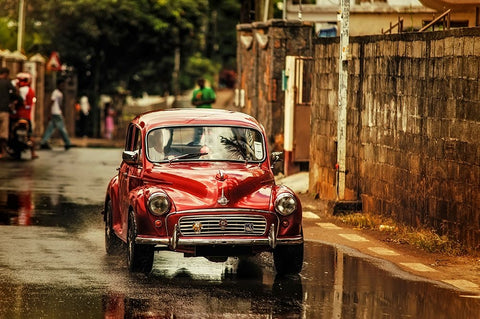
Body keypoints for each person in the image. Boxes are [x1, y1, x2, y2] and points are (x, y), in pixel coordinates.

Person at [39, 78, 72, 150]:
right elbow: (51, 102)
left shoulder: (60, 93)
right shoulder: (56, 92)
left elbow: (60, 105)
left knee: (50, 128)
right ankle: (67, 143)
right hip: (56, 113)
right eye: (62, 85)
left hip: (56, 112)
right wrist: (49, 112)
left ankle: (44, 141)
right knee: (62, 128)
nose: (63, 87)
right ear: (59, 85)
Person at [15, 72, 38, 159]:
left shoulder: (21, 90)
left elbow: (21, 101)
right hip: (27, 116)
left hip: (18, 115)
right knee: (30, 134)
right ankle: (33, 153)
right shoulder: (31, 90)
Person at [0, 67, 16, 158]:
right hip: (4, 111)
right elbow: (14, 93)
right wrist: (11, 100)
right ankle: (2, 152)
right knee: (3, 133)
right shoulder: (7, 83)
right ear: (6, 74)